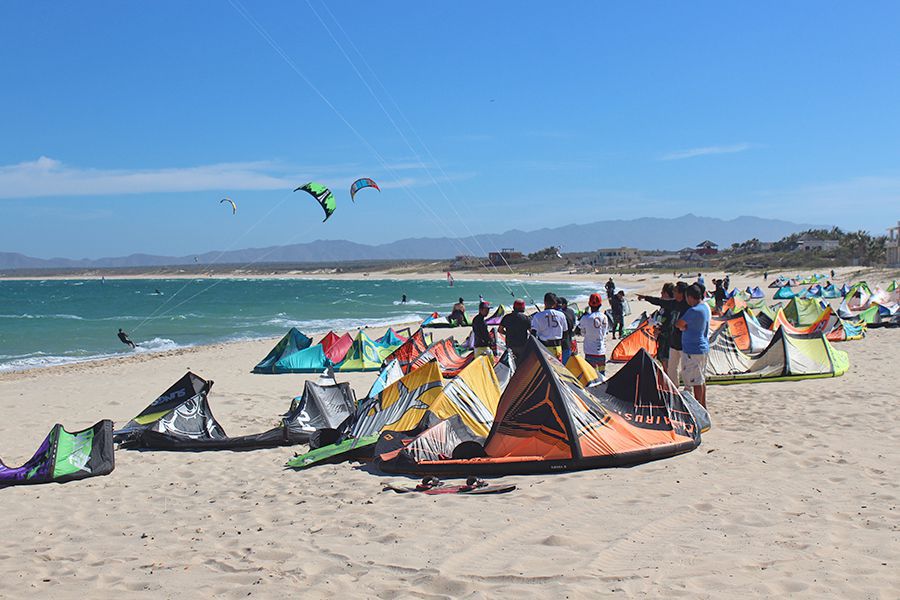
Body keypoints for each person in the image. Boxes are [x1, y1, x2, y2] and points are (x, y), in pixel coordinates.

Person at [675, 284, 710, 408]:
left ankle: (699, 408)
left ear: (690, 297)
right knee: (700, 380)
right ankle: (703, 406)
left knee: (696, 382)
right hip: (701, 348)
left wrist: (683, 327)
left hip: (693, 350)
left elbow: (679, 323)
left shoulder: (694, 310)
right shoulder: (705, 307)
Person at [637, 283, 676, 371]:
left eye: (662, 293)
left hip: (668, 338)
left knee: (666, 359)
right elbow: (657, 301)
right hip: (662, 337)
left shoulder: (672, 305)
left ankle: (668, 379)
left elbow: (671, 323)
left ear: (666, 293)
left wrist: (660, 331)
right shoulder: (664, 305)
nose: (661, 295)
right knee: (661, 358)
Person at [576, 293, 608, 372]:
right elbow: (604, 331)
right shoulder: (604, 317)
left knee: (591, 374)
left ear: (589, 305)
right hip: (601, 350)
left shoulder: (586, 318)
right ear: (600, 304)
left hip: (589, 351)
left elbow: (579, 331)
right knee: (602, 373)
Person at [530, 292, 567, 360]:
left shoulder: (538, 316)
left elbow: (533, 334)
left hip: (544, 347)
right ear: (555, 303)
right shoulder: (561, 315)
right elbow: (565, 332)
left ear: (544, 302)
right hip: (557, 347)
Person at [557, 297, 577, 364]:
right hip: (570, 340)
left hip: (564, 342)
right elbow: (574, 323)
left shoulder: (561, 314)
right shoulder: (571, 311)